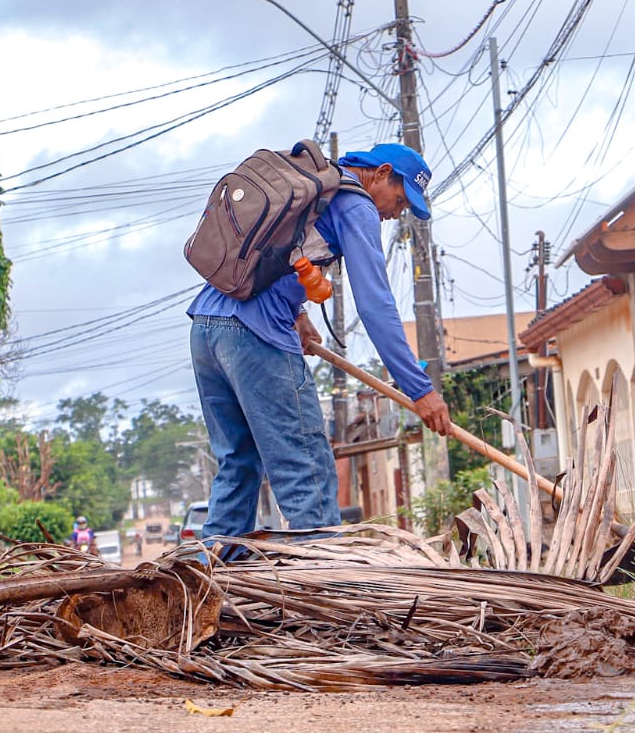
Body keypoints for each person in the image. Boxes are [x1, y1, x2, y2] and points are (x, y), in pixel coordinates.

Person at [187, 142, 452, 539]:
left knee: (239, 464)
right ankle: (321, 589)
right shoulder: (356, 204)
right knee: (307, 471)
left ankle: (210, 582)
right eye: (399, 199)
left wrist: (299, 313)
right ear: (380, 173)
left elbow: (276, 256)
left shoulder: (320, 188)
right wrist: (420, 389)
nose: (396, 213)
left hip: (207, 328)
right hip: (254, 336)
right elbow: (376, 305)